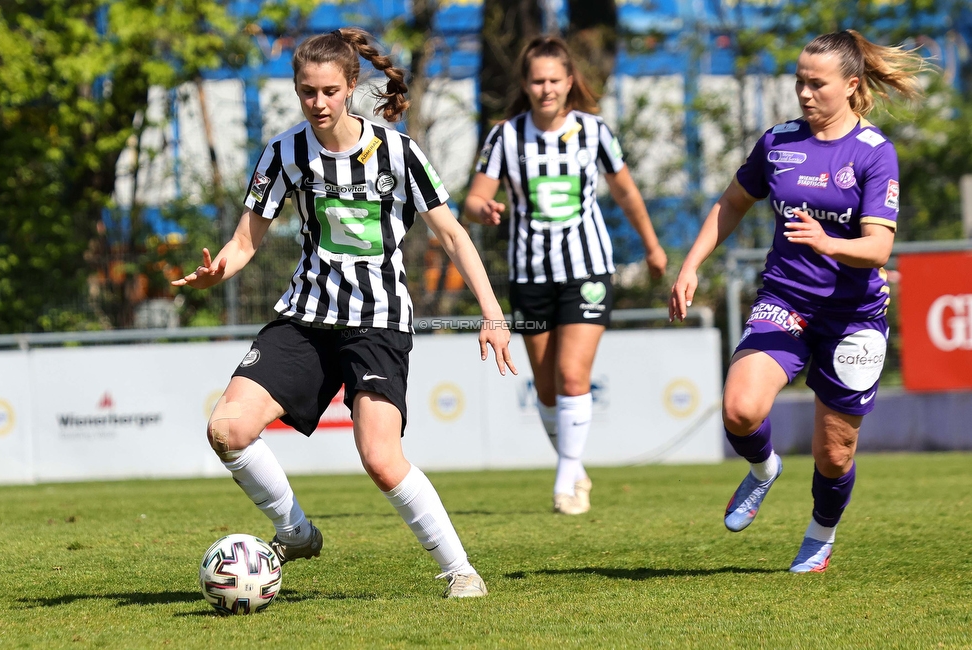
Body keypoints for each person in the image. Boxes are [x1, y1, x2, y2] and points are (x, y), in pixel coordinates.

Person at [172, 28, 516, 598]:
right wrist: (219, 270)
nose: (319, 103)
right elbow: (245, 241)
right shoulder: (283, 152)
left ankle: (460, 570)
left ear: (352, 86)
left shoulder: (399, 152)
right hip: (306, 316)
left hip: (377, 320)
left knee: (381, 458)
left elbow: (453, 236)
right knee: (226, 429)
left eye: (330, 91)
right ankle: (295, 532)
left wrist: (492, 313)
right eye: (308, 92)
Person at [669, 30, 925, 572]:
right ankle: (763, 471)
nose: (805, 94)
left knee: (834, 455)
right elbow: (731, 202)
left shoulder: (875, 154)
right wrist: (691, 265)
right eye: (799, 83)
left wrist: (829, 242)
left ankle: (820, 534)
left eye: (817, 84)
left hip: (853, 315)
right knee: (739, 410)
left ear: (851, 86)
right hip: (786, 299)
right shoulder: (778, 142)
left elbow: (879, 246)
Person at [465, 36, 667, 515]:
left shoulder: (594, 132)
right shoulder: (505, 137)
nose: (546, 89)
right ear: (525, 84)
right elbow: (472, 200)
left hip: (587, 270)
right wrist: (483, 209)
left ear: (570, 81)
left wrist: (653, 246)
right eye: (537, 80)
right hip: (529, 274)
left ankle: (564, 484)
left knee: (573, 375)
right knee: (548, 386)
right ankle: (574, 468)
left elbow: (627, 194)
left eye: (555, 79)